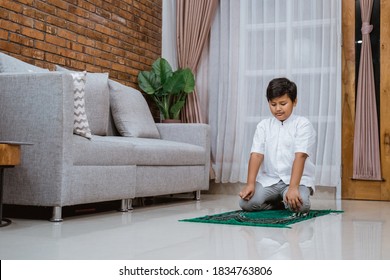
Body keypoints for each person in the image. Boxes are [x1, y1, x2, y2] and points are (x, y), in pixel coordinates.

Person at [239, 77, 316, 213]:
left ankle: (287, 197)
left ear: (294, 101)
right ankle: (278, 204)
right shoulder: (263, 126)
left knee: (301, 206)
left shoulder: (303, 125)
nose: (278, 109)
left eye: (283, 103)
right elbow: (256, 155)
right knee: (246, 204)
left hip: (296, 181)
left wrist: (293, 188)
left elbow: (301, 156)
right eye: (273, 104)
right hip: (270, 180)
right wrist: (250, 184)